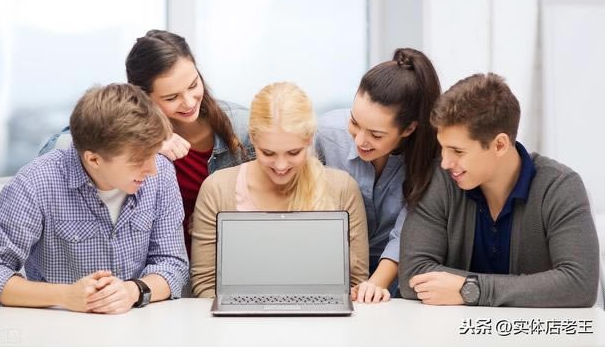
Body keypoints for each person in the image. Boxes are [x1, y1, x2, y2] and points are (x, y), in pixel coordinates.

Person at [0, 84, 189, 313]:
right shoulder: (35, 183)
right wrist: (66, 296)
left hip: (136, 324)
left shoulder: (161, 173)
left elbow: (173, 264)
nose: (152, 170)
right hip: (55, 325)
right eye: (138, 161)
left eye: (153, 154)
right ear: (94, 160)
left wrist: (133, 290)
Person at [39, 30, 254, 258]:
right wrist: (149, 141)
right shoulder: (121, 130)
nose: (189, 102)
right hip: (148, 268)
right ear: (142, 96)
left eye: (193, 85)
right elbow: (55, 151)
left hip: (222, 262)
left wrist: (218, 215)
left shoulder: (242, 128)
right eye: (172, 98)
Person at [399, 73, 599, 307]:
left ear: (500, 145)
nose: (445, 162)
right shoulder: (441, 180)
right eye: (443, 148)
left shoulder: (559, 187)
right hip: (453, 327)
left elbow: (579, 285)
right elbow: (413, 274)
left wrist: (471, 289)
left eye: (458, 151)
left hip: (534, 329)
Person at [190, 82, 369, 297]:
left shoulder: (342, 189)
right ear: (253, 139)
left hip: (321, 317)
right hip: (240, 317)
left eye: (293, 152)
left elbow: (357, 285)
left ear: (310, 139)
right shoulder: (217, 189)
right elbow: (205, 287)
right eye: (268, 153)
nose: (281, 166)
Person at [316, 48, 441, 303]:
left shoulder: (431, 157)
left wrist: (374, 285)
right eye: (354, 122)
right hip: (331, 271)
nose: (360, 140)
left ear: (408, 129)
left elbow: (407, 232)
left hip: (399, 279)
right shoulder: (326, 134)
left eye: (376, 134)